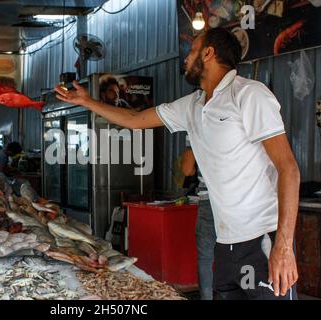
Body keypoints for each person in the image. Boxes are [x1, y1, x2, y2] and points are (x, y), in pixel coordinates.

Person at [55, 28, 300, 300]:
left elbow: (288, 168)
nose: (186, 58)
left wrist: (284, 246)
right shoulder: (192, 105)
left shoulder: (249, 95)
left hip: (262, 240)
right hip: (225, 242)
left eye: (192, 51)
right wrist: (88, 102)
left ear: (208, 53)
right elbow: (136, 121)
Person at [181, 143, 216, 300]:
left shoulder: (196, 128)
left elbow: (187, 170)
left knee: (206, 257)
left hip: (208, 201)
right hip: (235, 202)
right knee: (235, 252)